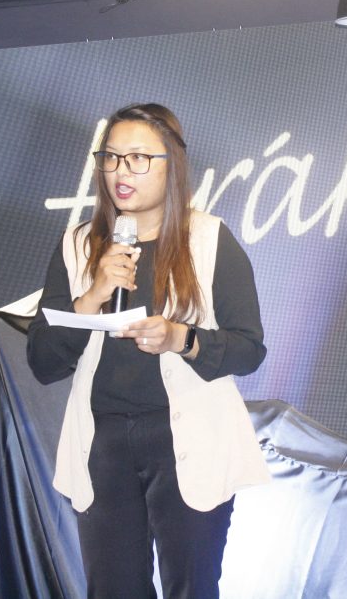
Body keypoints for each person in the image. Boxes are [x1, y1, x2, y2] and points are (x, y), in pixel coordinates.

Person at [27, 103, 270, 598]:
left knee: (191, 588)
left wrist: (182, 339)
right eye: (111, 158)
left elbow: (249, 349)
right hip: (103, 443)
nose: (121, 171)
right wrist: (92, 296)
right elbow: (44, 362)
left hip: (188, 438)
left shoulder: (208, 239)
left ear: (171, 164)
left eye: (138, 158)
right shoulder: (78, 245)